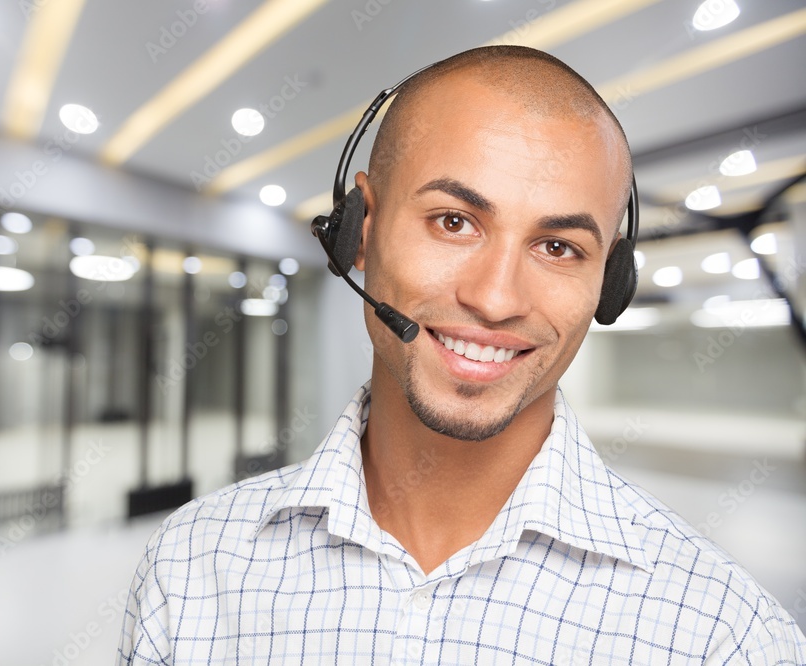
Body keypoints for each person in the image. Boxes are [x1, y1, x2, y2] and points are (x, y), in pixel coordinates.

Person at [117, 46, 806, 664]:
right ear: (358, 231)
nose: (497, 298)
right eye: (454, 221)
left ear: (611, 283)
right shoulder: (190, 567)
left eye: (558, 246)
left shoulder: (725, 636)